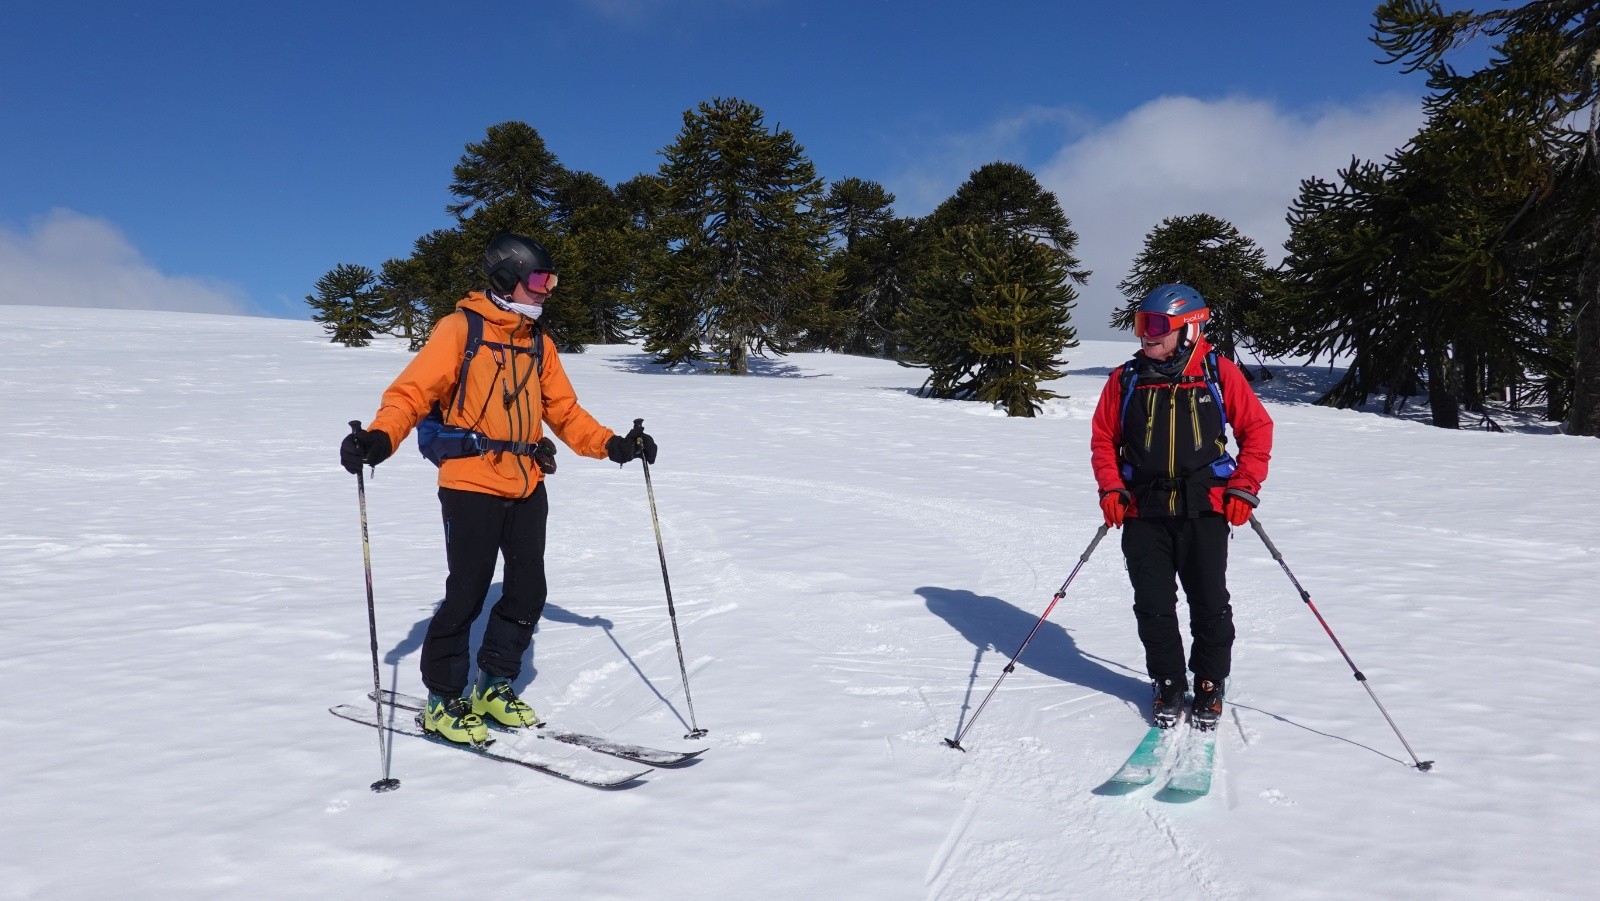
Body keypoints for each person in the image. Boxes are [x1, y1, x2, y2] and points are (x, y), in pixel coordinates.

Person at [340, 233, 657, 746]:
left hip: (528, 482)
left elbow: (564, 412)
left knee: (529, 589)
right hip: (469, 482)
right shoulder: (458, 329)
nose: (547, 290)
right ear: (507, 276)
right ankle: (443, 700)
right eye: (539, 280)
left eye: (551, 281)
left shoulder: (538, 342)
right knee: (466, 592)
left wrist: (615, 445)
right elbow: (411, 394)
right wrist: (379, 438)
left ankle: (493, 686)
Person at [1088, 284, 1272, 731]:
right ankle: (1168, 681)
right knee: (1152, 603)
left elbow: (1257, 429)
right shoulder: (1126, 378)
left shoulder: (1217, 372)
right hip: (1142, 508)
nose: (1145, 337)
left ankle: (1210, 682)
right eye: (1140, 325)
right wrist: (1111, 489)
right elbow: (1103, 440)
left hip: (1205, 506)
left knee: (1209, 602)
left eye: (1155, 327)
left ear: (1188, 328)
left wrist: (1243, 487)